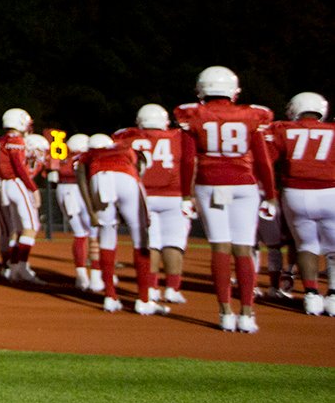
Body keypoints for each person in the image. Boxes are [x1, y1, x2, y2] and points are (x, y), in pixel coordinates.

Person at [174, 66, 277, 333]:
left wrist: (185, 193)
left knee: (220, 248)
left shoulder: (192, 114)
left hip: (210, 184)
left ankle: (225, 312)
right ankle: (248, 313)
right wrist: (272, 195)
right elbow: (263, 160)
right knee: (243, 248)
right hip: (245, 185)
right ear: (233, 90)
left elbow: (187, 159)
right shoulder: (252, 114)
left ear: (201, 89)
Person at [264, 92, 335, 316]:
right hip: (330, 192)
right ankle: (333, 296)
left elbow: (266, 159)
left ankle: (311, 296)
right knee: (334, 249)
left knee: (307, 245)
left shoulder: (283, 129)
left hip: (295, 194)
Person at [78, 133, 164, 315]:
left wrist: (91, 210)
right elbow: (140, 165)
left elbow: (81, 179)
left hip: (99, 178)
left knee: (107, 237)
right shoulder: (125, 148)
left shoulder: (89, 155)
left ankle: (110, 296)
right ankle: (144, 300)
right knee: (141, 237)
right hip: (126, 177)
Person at [118, 104, 196, 305]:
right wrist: (190, 194)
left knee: (150, 243)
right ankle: (172, 288)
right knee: (174, 243)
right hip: (174, 195)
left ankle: (151, 287)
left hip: (143, 196)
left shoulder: (127, 137)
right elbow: (190, 163)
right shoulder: (179, 136)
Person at [0, 108, 43, 284]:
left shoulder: (2, 140)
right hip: (15, 183)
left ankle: (13, 268)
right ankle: (21, 267)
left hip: (5, 185)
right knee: (31, 226)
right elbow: (19, 167)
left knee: (18, 229)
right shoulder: (15, 140)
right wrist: (33, 188)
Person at [54, 133, 101, 291]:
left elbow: (53, 174)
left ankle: (81, 277)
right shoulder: (86, 157)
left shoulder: (63, 157)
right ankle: (95, 276)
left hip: (63, 190)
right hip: (82, 190)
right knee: (94, 233)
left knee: (80, 234)